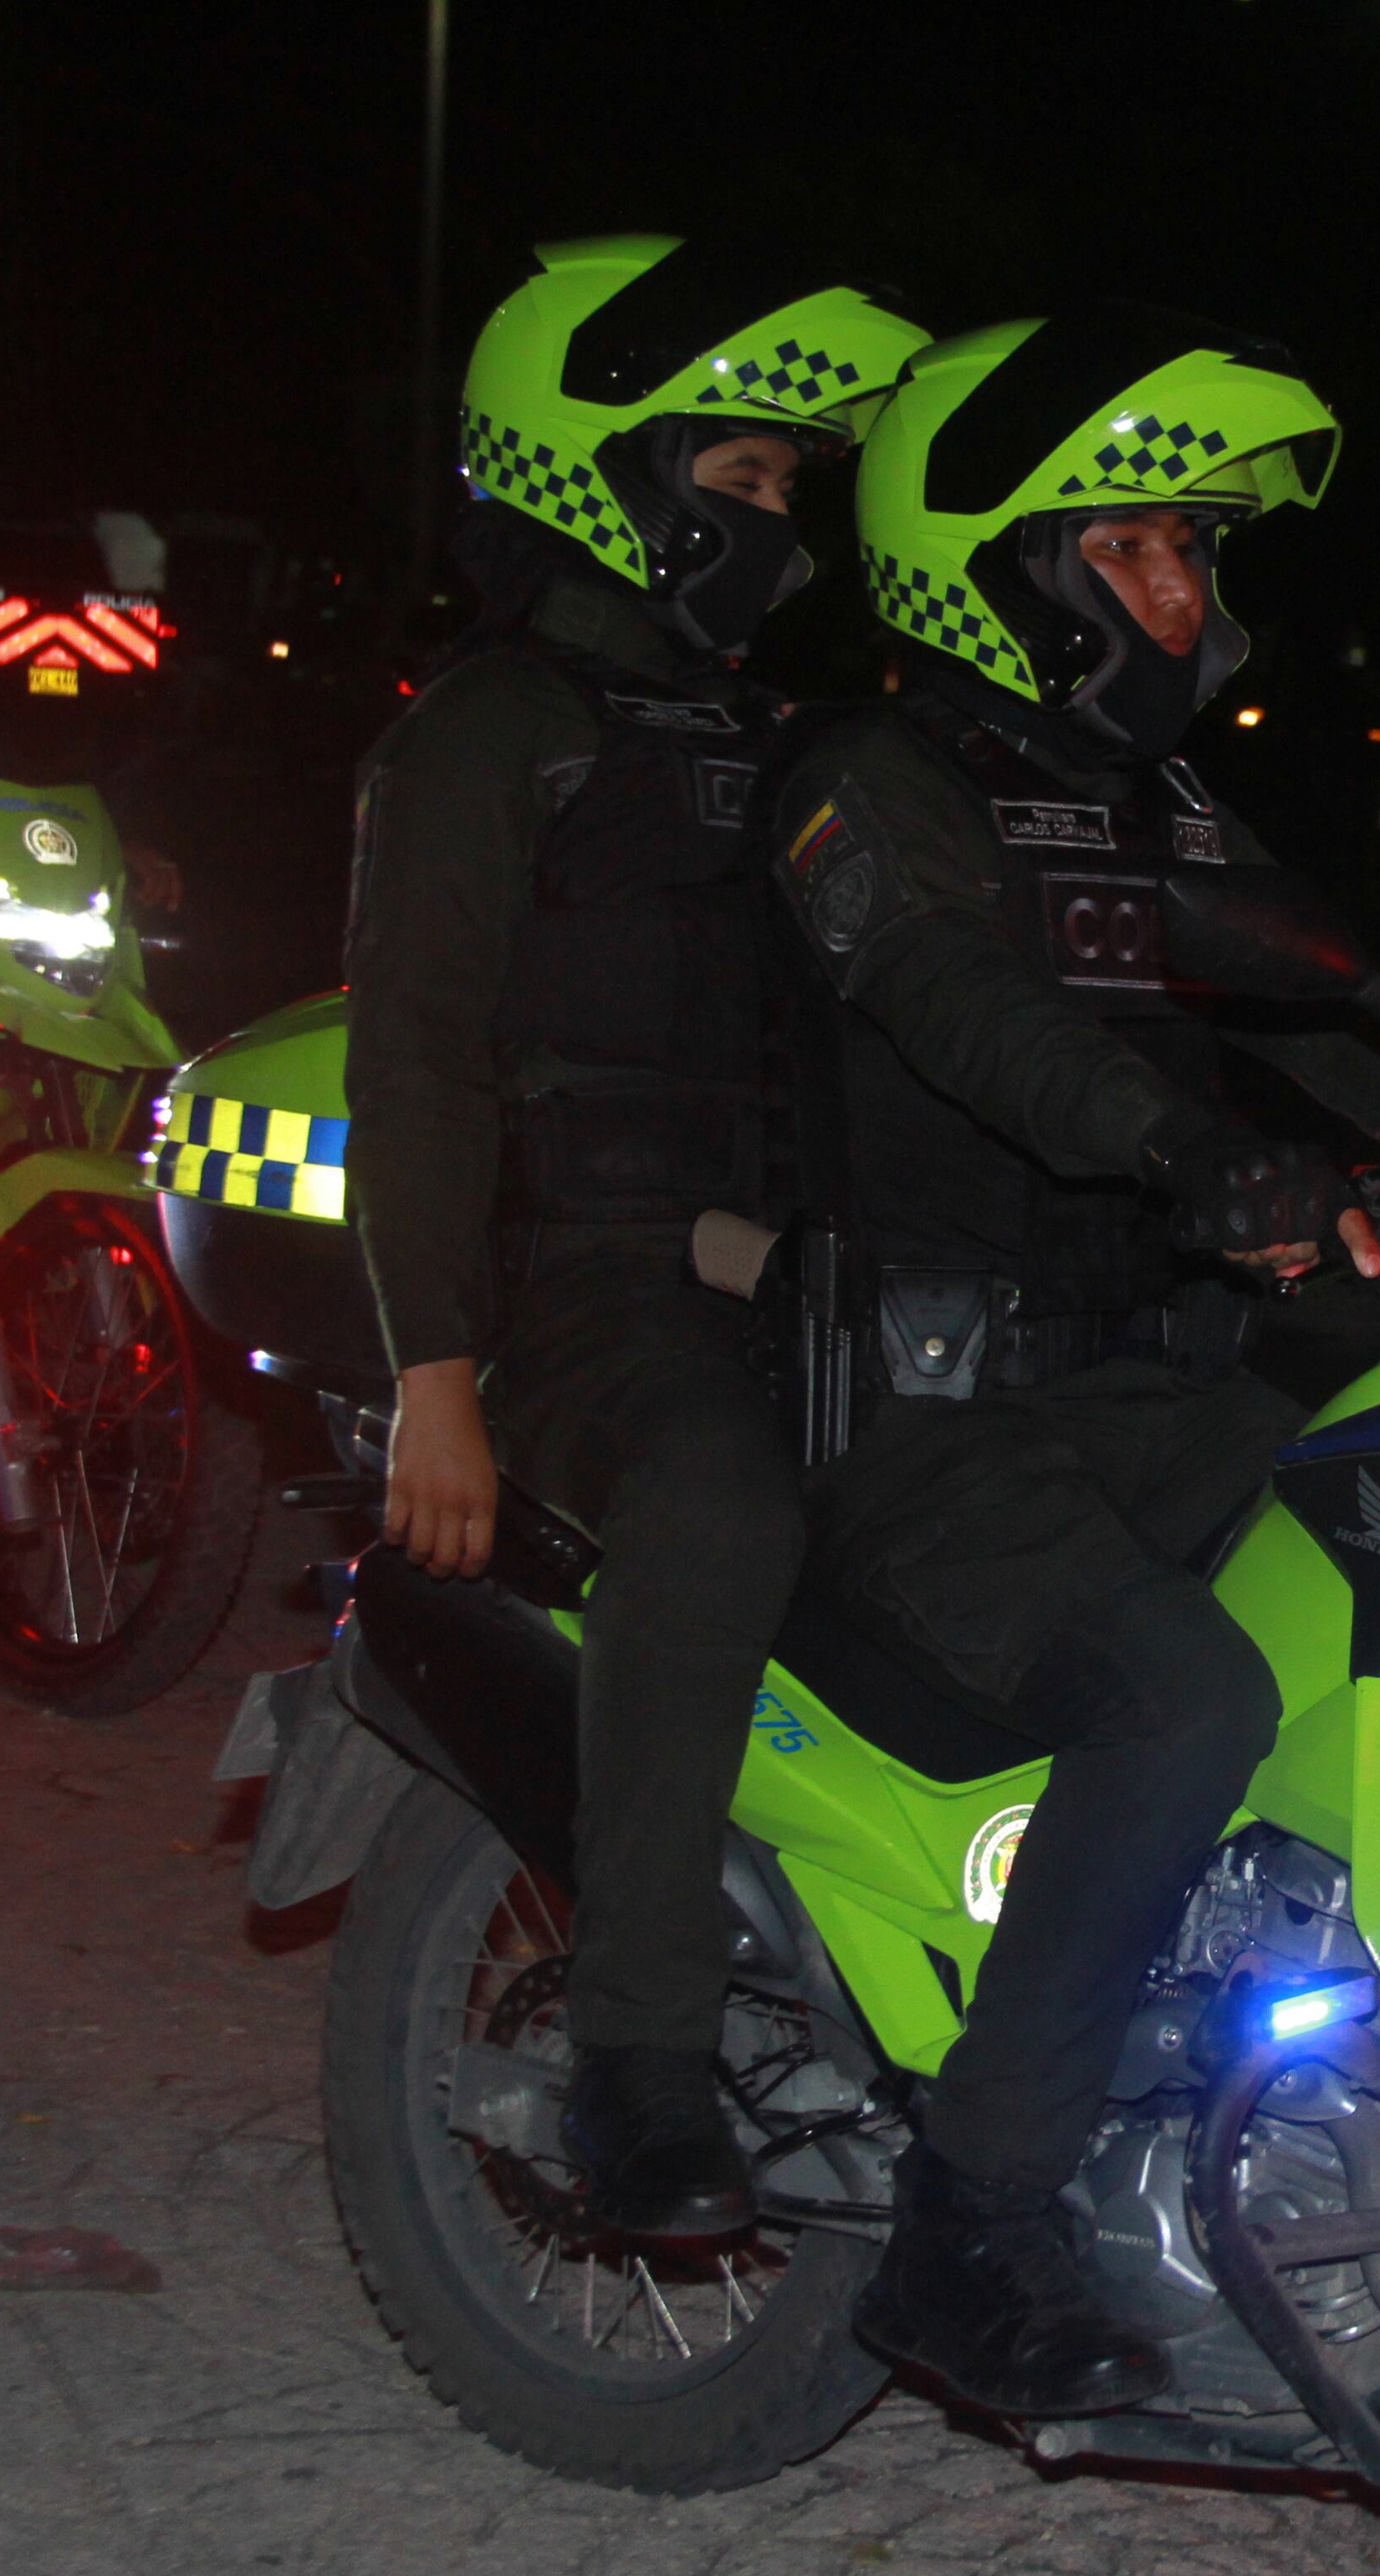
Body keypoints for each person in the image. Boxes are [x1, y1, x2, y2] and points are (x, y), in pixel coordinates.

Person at [764, 307, 1380, 2419]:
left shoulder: (1150, 809)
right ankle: (967, 2223)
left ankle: (1327, 2076)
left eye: (1191, 552)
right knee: (1184, 1693)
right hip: (926, 1411)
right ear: (1003, 564)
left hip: (1155, 1392)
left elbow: (1368, 1022)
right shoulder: (868, 786)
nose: (1189, 595)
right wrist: (1191, 1152)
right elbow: (967, 1011)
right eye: (1144, 550)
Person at [340, 236, 930, 2238]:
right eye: (746, 484)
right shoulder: (497, 724)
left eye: (788, 494)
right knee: (718, 1511)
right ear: (605, 468)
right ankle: (640, 2061)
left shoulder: (772, 740)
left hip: (775, 1279)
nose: (779, 530)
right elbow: (411, 1055)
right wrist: (434, 1368)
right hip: (571, 1295)